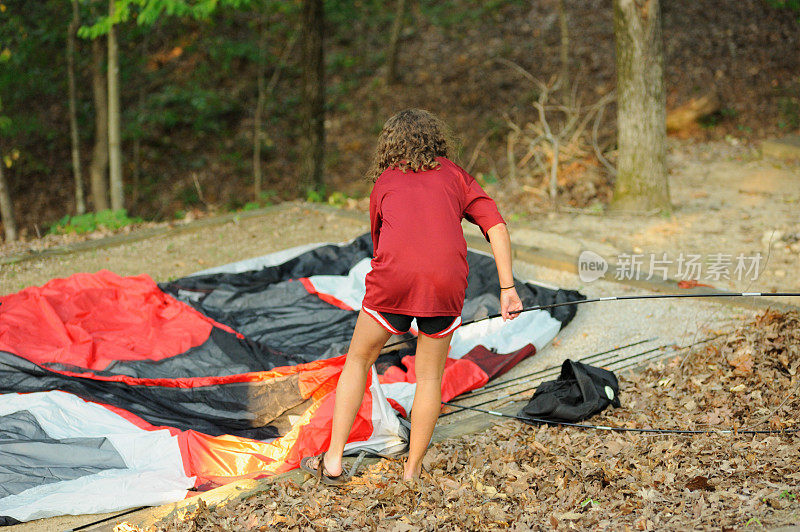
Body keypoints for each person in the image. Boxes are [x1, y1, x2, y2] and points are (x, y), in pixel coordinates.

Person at [301, 108, 522, 483]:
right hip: (444, 284)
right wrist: (507, 289)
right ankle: (412, 469)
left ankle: (334, 460)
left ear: (390, 146)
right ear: (438, 141)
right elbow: (496, 227)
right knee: (429, 378)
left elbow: (378, 241)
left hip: (394, 281)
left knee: (357, 359)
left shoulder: (385, 181)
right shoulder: (457, 177)